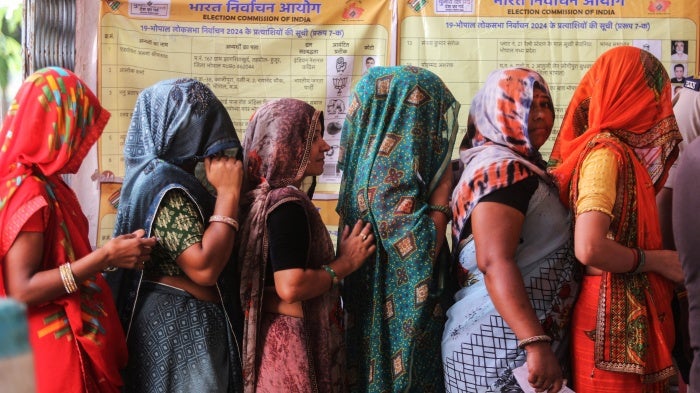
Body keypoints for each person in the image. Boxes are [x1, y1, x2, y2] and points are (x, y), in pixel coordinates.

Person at [0, 67, 156, 392]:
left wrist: (110, 256)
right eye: (79, 130)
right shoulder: (29, 190)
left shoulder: (47, 185)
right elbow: (22, 289)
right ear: (56, 127)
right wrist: (104, 258)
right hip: (50, 355)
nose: (81, 145)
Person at [548, 46, 684, 392]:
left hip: (622, 309)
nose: (661, 109)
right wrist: (657, 261)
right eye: (652, 95)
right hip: (611, 320)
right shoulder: (607, 154)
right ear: (627, 96)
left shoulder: (620, 153)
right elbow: (590, 248)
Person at [442, 68, 580, 393]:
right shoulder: (503, 171)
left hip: (514, 343)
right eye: (528, 105)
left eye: (546, 104)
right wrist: (534, 344)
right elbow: (494, 262)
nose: (542, 115)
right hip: (497, 349)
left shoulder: (518, 166)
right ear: (499, 109)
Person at [110, 78, 244, 392]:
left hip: (185, 325)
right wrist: (228, 194)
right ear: (174, 126)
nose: (210, 140)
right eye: (199, 125)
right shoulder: (163, 184)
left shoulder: (167, 180)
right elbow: (204, 267)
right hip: (180, 328)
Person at [237, 98, 375, 393]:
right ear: (285, 142)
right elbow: (290, 286)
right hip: (291, 351)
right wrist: (345, 265)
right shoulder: (286, 203)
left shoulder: (252, 200)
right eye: (313, 138)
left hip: (268, 344)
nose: (325, 147)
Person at [336, 65, 459, 392]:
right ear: (413, 120)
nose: (439, 135)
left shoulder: (364, 170)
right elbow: (418, 256)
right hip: (402, 342)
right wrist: (443, 193)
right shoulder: (392, 184)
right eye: (431, 120)